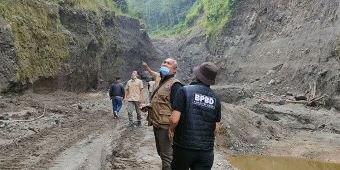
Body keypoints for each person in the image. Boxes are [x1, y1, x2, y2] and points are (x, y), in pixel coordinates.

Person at [168, 62, 221, 170]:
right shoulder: (216, 99)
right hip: (206, 152)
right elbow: (217, 128)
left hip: (184, 148)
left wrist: (171, 129)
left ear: (197, 75)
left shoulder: (184, 91)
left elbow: (174, 119)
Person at [142, 58, 182, 170]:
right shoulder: (160, 81)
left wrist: (173, 128)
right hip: (157, 124)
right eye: (163, 62)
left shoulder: (175, 85)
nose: (164, 64)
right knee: (161, 153)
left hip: (166, 127)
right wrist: (149, 106)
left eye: (168, 63)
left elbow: (178, 109)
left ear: (174, 70)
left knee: (167, 157)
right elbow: (163, 103)